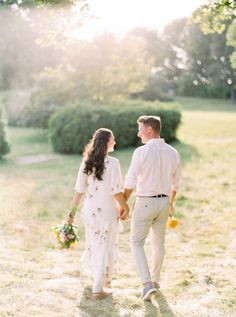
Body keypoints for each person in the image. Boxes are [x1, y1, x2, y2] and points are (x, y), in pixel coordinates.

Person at [121, 115, 181, 301]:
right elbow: (176, 184)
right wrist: (169, 204)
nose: (138, 134)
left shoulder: (141, 152)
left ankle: (147, 284)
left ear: (149, 130)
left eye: (140, 129)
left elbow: (130, 181)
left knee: (136, 242)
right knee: (158, 243)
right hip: (164, 203)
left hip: (145, 202)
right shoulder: (173, 152)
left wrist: (123, 204)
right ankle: (154, 281)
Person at [66, 128, 129, 300]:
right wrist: (126, 207)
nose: (115, 142)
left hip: (91, 211)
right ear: (106, 142)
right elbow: (116, 190)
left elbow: (79, 189)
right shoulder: (113, 163)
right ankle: (97, 288)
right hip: (107, 211)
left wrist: (71, 213)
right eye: (113, 139)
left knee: (96, 244)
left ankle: (101, 281)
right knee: (104, 246)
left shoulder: (87, 161)